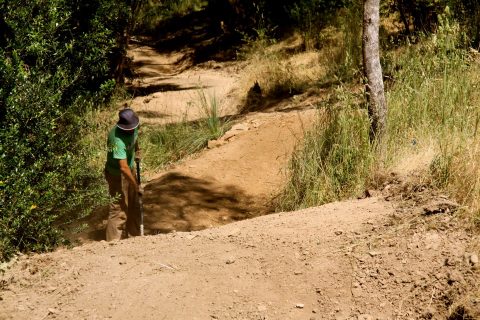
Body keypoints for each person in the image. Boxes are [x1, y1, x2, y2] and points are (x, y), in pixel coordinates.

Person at [104, 108, 142, 241]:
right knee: (118, 210)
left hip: (129, 169)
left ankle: (135, 238)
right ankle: (113, 244)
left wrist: (137, 151)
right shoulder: (117, 139)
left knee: (134, 204)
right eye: (130, 128)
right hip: (116, 175)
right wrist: (136, 185)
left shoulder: (133, 126)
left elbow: (135, 137)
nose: (133, 129)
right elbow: (123, 168)